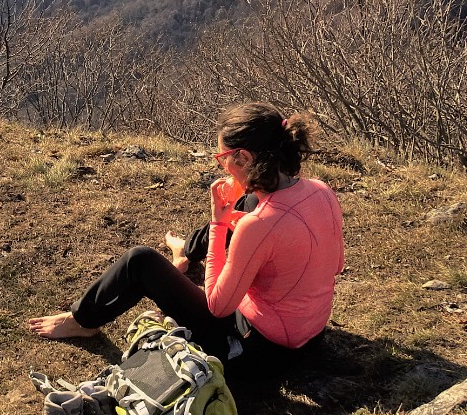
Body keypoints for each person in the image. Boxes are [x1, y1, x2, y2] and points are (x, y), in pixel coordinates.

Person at [27, 103, 344, 375]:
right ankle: (187, 253)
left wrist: (219, 223)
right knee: (247, 202)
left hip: (258, 353)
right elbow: (336, 265)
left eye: (223, 158)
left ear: (243, 158)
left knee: (140, 262)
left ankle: (82, 321)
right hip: (309, 336)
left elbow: (218, 306)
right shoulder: (321, 190)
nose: (222, 165)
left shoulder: (259, 225)